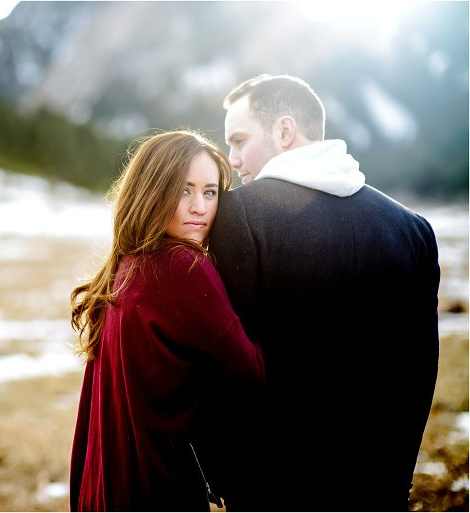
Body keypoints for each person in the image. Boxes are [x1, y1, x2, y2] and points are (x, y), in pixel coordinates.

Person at [209, 74, 440, 511]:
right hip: (379, 487)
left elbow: (227, 363)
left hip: (272, 491)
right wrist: (398, 477)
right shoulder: (411, 229)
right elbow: (420, 368)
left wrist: (226, 480)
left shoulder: (239, 215)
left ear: (284, 131)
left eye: (239, 140)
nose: (232, 159)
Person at [69, 130, 266, 511]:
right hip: (154, 488)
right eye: (184, 190)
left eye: (210, 192)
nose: (199, 207)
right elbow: (251, 372)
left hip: (106, 487)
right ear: (152, 192)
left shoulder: (127, 264)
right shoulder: (182, 267)